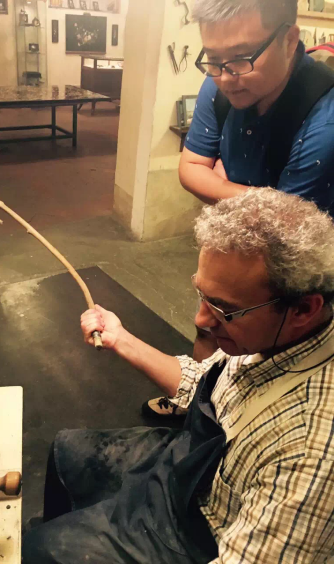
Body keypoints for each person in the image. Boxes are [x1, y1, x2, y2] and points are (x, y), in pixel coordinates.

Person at [23, 188, 334, 565]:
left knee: (39, 551)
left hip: (203, 532)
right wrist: (121, 339)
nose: (200, 319)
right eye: (202, 295)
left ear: (303, 309)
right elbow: (206, 382)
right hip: (194, 465)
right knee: (65, 451)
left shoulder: (309, 451)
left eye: (224, 310)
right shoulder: (270, 335)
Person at [144, 0, 335, 418]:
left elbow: (283, 228)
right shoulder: (222, 86)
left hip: (298, 269)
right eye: (213, 59)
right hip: (242, 242)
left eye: (241, 58)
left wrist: (222, 184)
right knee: (210, 321)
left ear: (289, 39)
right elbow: (190, 170)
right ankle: (195, 409)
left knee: (269, 356)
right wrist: (258, 197)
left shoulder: (325, 120)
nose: (225, 76)